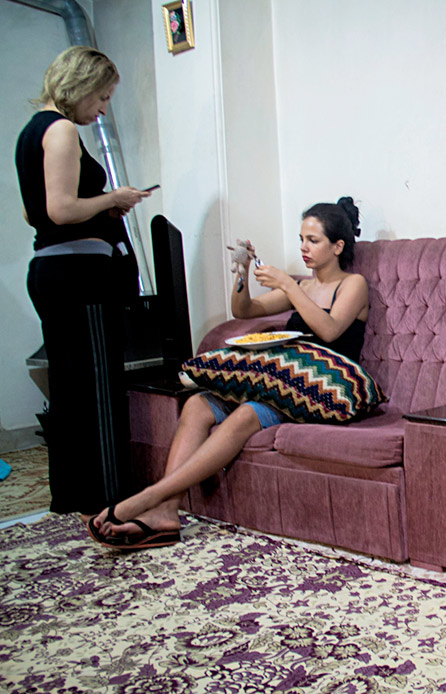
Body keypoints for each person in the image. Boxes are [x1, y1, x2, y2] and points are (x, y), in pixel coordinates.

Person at [88, 197, 368, 550]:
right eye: (301, 239)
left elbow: (329, 330)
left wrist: (288, 286)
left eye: (313, 240)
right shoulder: (304, 287)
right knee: (197, 405)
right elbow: (244, 310)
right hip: (279, 380)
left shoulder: (353, 284)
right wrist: (242, 272)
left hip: (320, 389)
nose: (304, 248)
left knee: (246, 414)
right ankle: (166, 513)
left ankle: (149, 497)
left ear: (337, 246)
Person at [16, 46, 153, 516]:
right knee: (98, 385)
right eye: (103, 96)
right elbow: (61, 210)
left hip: (51, 270)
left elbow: (33, 212)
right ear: (82, 86)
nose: (103, 109)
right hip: (79, 277)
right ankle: (109, 495)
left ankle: (71, 493)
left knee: (69, 386)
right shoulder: (60, 130)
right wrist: (112, 198)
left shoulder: (30, 132)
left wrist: (97, 208)